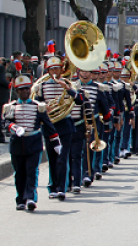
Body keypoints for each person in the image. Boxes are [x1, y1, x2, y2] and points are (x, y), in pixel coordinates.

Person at [4, 74, 60, 211]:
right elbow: (5, 122)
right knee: (19, 173)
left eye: (27, 89)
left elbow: (48, 124)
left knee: (32, 171)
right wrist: (13, 127)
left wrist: (55, 140)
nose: (25, 92)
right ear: (17, 91)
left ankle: (30, 198)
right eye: (22, 89)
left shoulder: (38, 106)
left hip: (34, 143)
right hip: (17, 144)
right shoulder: (11, 107)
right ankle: (20, 199)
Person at [33, 56, 83, 201]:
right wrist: (42, 107)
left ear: (62, 69)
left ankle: (62, 188)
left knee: (62, 158)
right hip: (50, 126)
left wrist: (69, 89)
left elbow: (79, 101)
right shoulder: (42, 86)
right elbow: (37, 105)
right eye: (52, 69)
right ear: (48, 71)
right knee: (52, 158)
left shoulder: (69, 84)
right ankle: (53, 187)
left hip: (65, 126)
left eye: (57, 68)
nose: (55, 71)